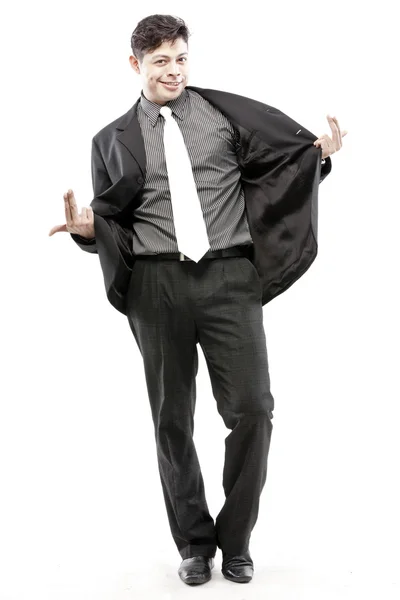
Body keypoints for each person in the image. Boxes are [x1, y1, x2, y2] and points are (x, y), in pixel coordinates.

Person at [49, 14, 347, 586]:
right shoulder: (109, 140)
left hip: (231, 277)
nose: (174, 70)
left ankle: (235, 541)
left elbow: (279, 169)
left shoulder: (222, 116)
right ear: (135, 65)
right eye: (160, 61)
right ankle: (193, 542)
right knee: (171, 420)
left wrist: (318, 157)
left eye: (181, 58)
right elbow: (112, 217)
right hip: (155, 286)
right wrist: (89, 232)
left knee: (254, 409)